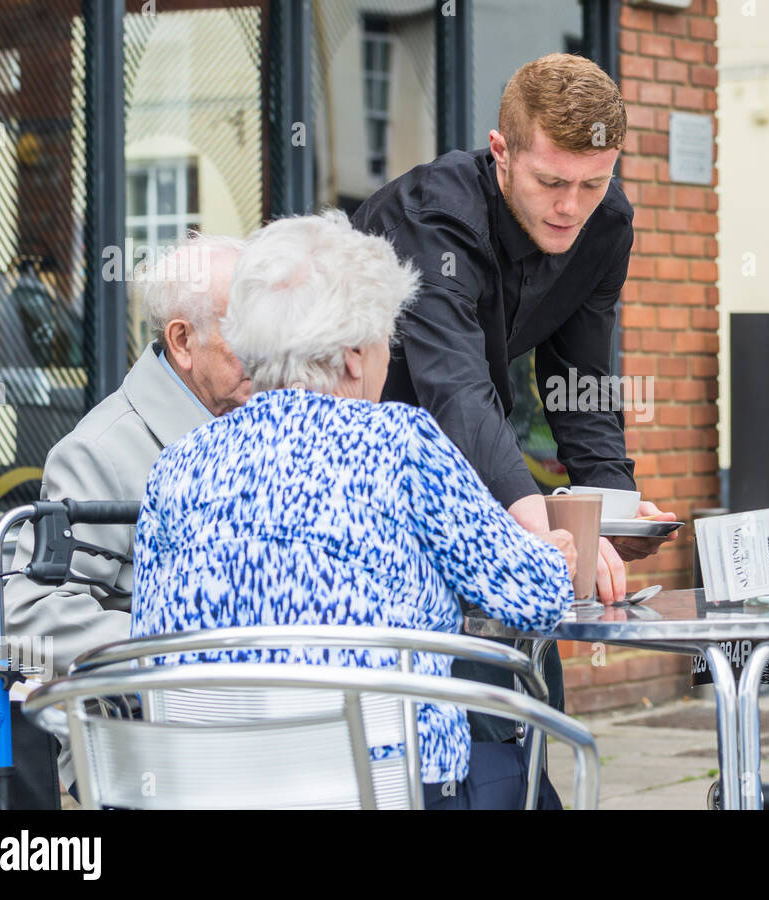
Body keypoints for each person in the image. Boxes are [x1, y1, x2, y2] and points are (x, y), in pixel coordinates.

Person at [131, 211, 578, 810]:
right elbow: (535, 599)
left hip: (214, 791)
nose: (388, 361)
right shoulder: (400, 443)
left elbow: (150, 643)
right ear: (350, 359)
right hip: (382, 791)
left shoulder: (175, 465)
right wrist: (549, 555)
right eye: (384, 343)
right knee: (522, 773)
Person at [350, 52, 675, 742]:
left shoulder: (606, 224)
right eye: (550, 181)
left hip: (477, 470)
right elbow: (457, 388)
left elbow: (580, 378)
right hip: (370, 479)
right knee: (434, 724)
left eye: (593, 183)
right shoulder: (431, 220)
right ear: (501, 153)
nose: (570, 207)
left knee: (531, 715)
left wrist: (611, 507)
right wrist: (537, 524)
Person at [4, 235, 249, 680]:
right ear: (182, 341)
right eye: (247, 332)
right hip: (141, 731)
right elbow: (29, 621)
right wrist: (190, 655)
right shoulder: (100, 452)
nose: (267, 351)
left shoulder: (252, 417)